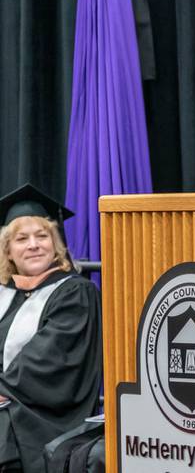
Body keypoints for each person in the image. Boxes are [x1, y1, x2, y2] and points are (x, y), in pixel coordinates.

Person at [0, 184, 102, 473]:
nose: (33, 245)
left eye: (42, 236)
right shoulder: (5, 294)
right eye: (21, 239)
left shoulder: (75, 293)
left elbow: (51, 359)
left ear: (56, 245)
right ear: (8, 251)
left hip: (43, 418)